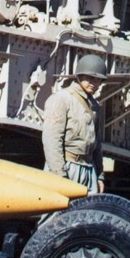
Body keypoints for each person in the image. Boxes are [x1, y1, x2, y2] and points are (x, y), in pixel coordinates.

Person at [42, 54, 107, 193]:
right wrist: (59, 175)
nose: (94, 83)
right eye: (90, 78)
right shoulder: (61, 99)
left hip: (88, 169)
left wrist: (100, 175)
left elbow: (96, 145)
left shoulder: (94, 106)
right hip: (66, 166)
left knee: (88, 213)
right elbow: (51, 140)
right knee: (56, 214)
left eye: (98, 80)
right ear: (79, 76)